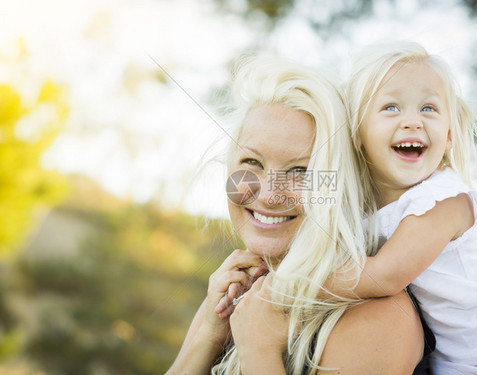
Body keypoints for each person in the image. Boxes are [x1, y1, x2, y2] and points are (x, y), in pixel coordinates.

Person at [166, 55, 433, 374]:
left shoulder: (378, 317)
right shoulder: (239, 291)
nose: (267, 194)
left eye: (301, 172)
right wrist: (209, 336)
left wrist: (260, 352)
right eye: (251, 162)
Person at [327, 40, 477, 374]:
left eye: (428, 109)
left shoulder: (443, 200)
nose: (413, 121)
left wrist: (293, 280)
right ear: (358, 133)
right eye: (391, 107)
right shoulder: (363, 211)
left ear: (449, 135)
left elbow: (384, 277)